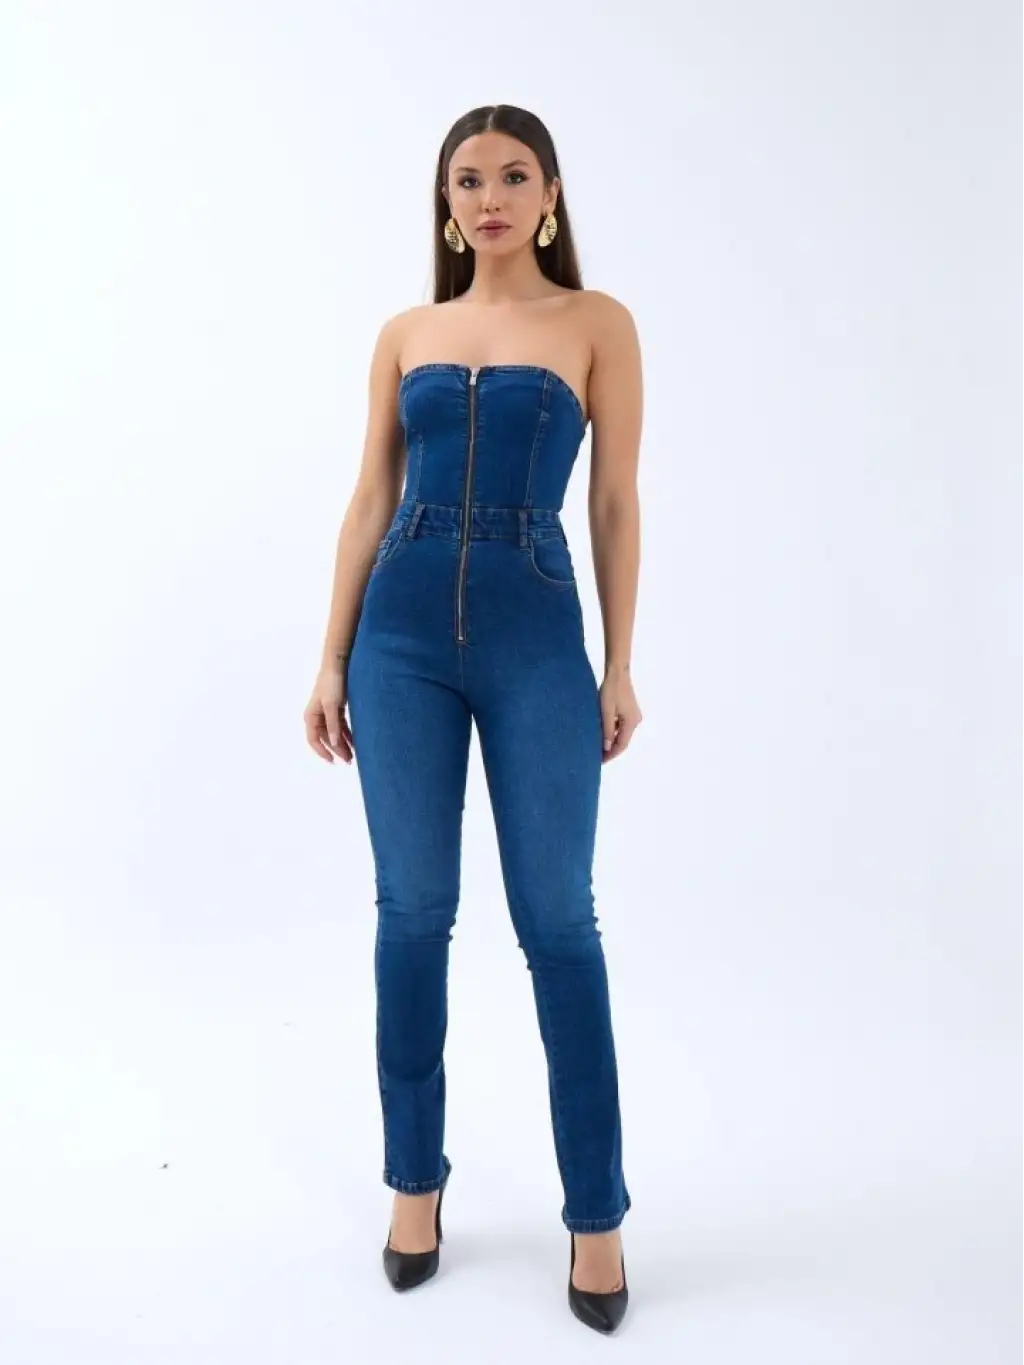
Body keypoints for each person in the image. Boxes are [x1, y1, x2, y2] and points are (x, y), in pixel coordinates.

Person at [303, 104, 643, 1334]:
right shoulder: (407, 334)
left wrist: (618, 665)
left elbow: (613, 502)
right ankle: (414, 1184)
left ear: (548, 196)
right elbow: (368, 498)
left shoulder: (597, 324)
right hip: (397, 635)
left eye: (511, 176)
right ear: (445, 205)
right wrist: (331, 655)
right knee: (411, 913)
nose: (487, 197)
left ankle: (595, 1213)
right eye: (466, 180)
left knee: (559, 922)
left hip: (535, 632)